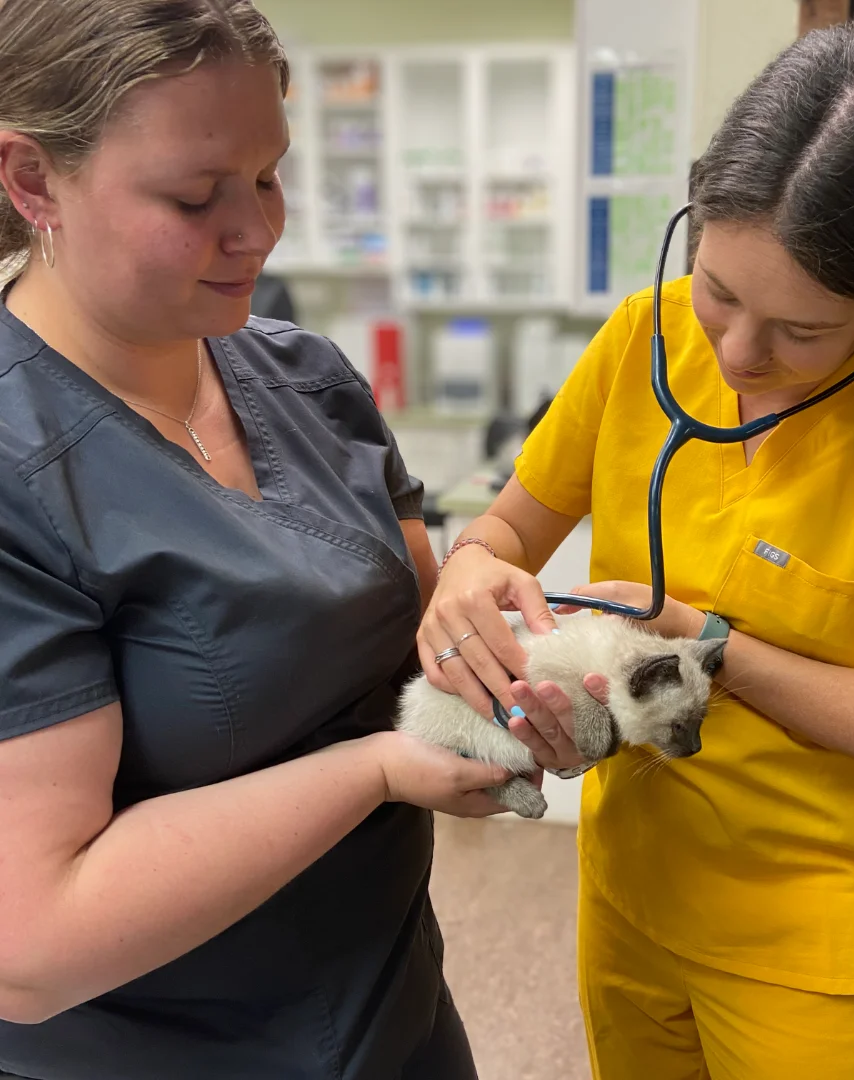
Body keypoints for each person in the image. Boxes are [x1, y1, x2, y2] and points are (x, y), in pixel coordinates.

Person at [420, 20, 854, 1080]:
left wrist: (701, 641)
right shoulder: (644, 334)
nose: (733, 351)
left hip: (806, 936)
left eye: (802, 332)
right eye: (719, 291)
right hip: (629, 888)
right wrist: (466, 572)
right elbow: (503, 530)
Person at [0, 2, 514, 1077]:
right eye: (196, 198)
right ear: (32, 181)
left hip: (398, 1010)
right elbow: (30, 944)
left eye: (270, 177)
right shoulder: (18, 472)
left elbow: (425, 635)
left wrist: (519, 642)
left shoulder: (303, 375)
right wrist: (372, 771)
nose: (259, 232)